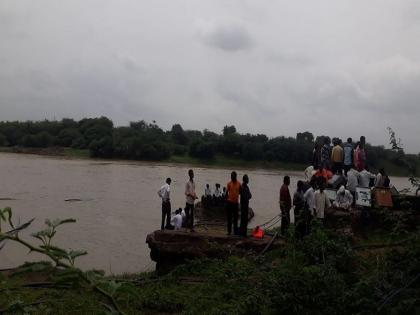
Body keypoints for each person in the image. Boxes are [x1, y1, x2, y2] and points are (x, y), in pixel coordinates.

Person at [226, 171, 241, 235]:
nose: (231, 177)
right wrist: (226, 200)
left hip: (235, 203)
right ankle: (229, 231)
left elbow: (240, 192)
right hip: (229, 203)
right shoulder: (229, 183)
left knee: (235, 218)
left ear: (235, 176)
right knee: (229, 218)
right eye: (231, 176)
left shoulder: (239, 184)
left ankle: (235, 231)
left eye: (232, 176)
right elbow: (227, 192)